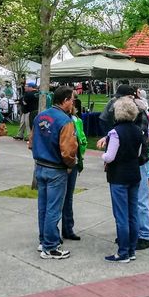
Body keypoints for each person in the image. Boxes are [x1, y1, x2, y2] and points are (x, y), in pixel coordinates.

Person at [29, 86, 78, 259]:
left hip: (40, 166)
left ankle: (43, 240)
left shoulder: (40, 116)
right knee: (53, 209)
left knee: (43, 207)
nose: (73, 103)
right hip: (56, 169)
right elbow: (68, 151)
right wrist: (72, 163)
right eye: (72, 99)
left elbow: (31, 142)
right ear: (65, 100)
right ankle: (50, 246)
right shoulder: (65, 121)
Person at [100, 97, 143, 262]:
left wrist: (102, 155)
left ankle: (123, 251)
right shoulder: (138, 131)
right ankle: (131, 249)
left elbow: (110, 157)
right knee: (133, 213)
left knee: (121, 215)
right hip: (134, 174)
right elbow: (138, 154)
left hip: (118, 176)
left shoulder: (115, 132)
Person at [61, 101, 88, 242]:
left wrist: (81, 149)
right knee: (58, 198)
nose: (71, 104)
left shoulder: (77, 120)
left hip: (74, 162)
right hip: (61, 165)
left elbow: (82, 138)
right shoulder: (60, 120)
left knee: (69, 197)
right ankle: (53, 231)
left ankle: (68, 228)